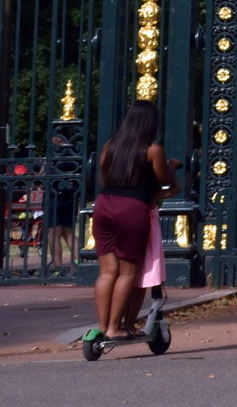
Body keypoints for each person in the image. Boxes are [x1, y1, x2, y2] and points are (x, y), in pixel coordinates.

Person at [84, 100, 175, 353]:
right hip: (131, 208)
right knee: (127, 272)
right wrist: (171, 168)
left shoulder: (110, 146)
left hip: (104, 205)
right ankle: (116, 326)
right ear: (151, 123)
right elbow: (164, 181)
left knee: (107, 271)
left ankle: (103, 326)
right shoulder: (152, 149)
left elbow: (103, 175)